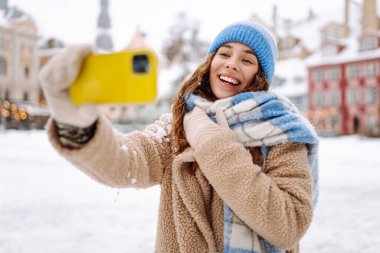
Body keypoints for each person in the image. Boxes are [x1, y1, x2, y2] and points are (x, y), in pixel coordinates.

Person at [40, 22, 319, 253]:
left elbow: (288, 224)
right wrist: (78, 125)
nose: (232, 64)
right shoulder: (179, 127)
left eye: (247, 60)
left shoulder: (284, 134)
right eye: (224, 54)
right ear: (210, 62)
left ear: (260, 77)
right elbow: (128, 162)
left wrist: (212, 143)